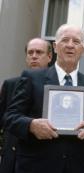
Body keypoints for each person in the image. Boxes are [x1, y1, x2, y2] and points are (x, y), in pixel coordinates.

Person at [4, 24, 84, 173]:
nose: (70, 45)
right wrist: (31, 125)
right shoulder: (31, 78)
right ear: (55, 47)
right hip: (36, 167)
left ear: (83, 50)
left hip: (79, 167)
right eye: (65, 40)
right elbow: (10, 117)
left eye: (76, 41)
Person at [0, 38, 52, 173]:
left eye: (39, 52)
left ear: (49, 57)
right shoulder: (10, 84)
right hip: (13, 157)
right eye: (30, 53)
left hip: (44, 156)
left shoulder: (56, 86)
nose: (34, 56)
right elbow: (4, 119)